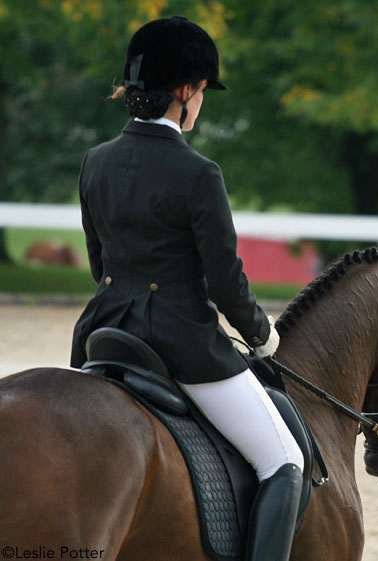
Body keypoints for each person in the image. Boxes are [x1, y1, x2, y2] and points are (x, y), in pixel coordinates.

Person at [69, 16, 303, 561]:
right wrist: (261, 334)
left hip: (103, 334)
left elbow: (97, 260)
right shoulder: (199, 172)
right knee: (284, 462)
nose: (201, 103)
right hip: (181, 345)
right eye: (201, 92)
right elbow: (225, 280)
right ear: (184, 92)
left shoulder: (95, 161)